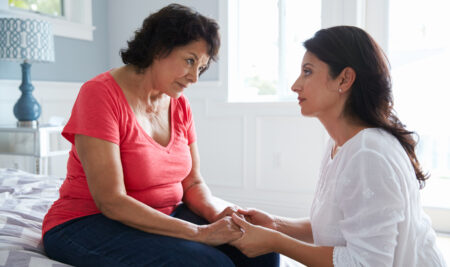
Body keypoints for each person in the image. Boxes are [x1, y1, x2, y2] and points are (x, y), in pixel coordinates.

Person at [42, 4, 279, 267]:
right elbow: (111, 201)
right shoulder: (99, 95)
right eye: (190, 60)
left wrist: (218, 215)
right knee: (209, 264)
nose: (194, 78)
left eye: (200, 67)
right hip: (88, 222)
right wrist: (200, 234)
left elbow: (192, 183)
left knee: (262, 250)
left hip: (164, 215)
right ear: (159, 48)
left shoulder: (179, 104)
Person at [229, 26, 447, 266]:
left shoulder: (368, 153)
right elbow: (344, 227)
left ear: (344, 79)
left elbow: (366, 263)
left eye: (307, 72)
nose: (295, 85)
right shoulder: (341, 145)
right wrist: (276, 224)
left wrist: (275, 242)